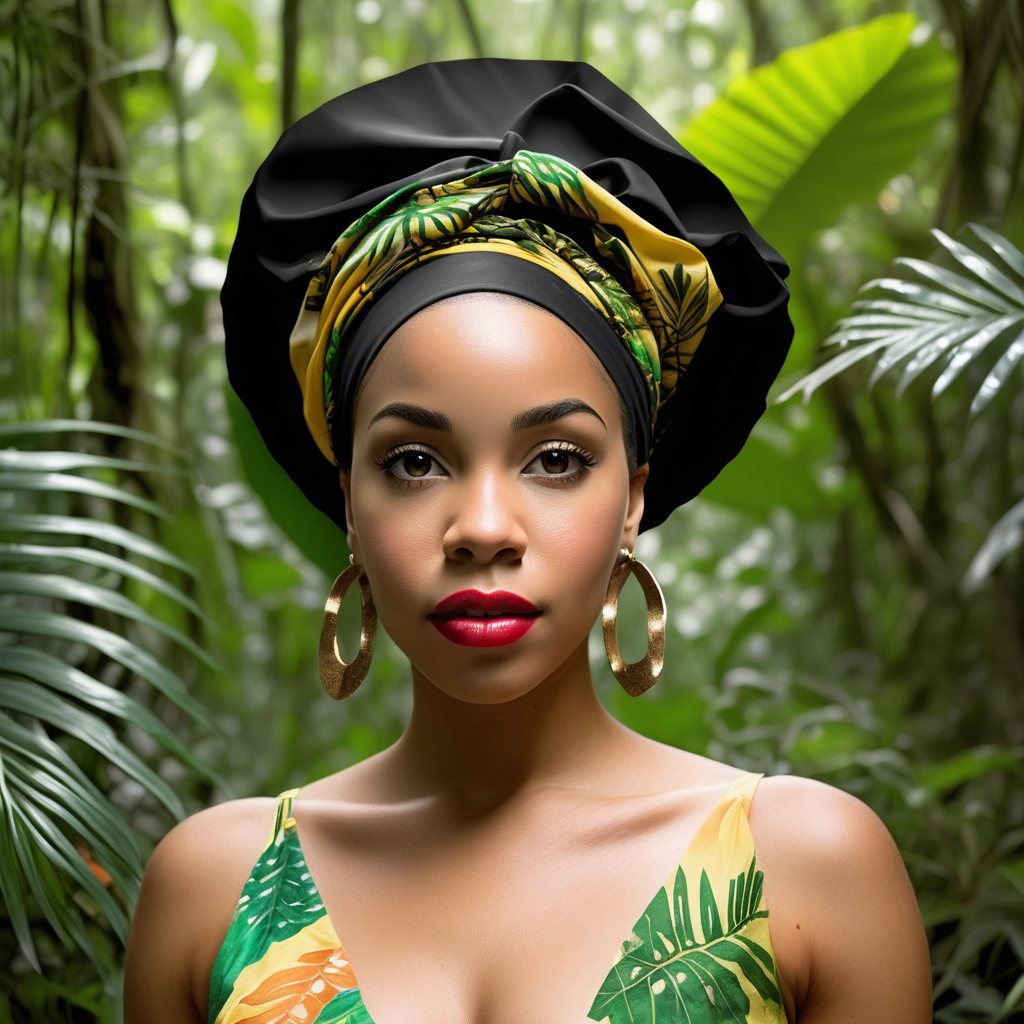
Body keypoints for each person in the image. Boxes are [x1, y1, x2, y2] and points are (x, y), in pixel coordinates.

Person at [123, 60, 932, 1024]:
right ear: (346, 500)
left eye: (554, 458)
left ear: (634, 497)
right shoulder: (212, 892)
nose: (484, 530)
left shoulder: (806, 870)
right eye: (415, 462)